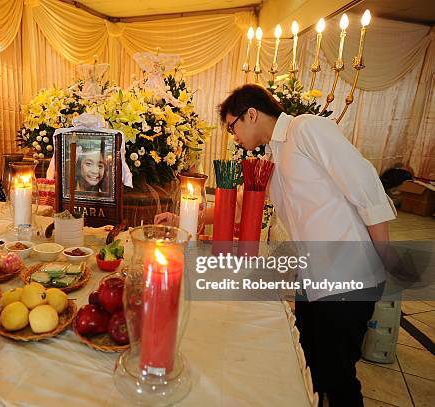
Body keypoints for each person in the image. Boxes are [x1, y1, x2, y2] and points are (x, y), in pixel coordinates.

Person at [156, 84, 396, 406]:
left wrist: (383, 265)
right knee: (309, 364)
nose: (233, 136)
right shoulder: (272, 155)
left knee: (338, 376)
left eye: (232, 126)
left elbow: (366, 188)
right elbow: (241, 203)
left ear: (251, 114)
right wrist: (187, 216)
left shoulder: (307, 129)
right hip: (312, 277)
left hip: (348, 274)